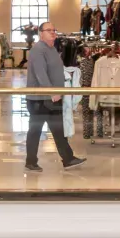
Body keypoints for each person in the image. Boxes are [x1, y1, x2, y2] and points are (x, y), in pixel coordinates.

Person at [23, 22, 86, 172]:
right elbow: (40, 73)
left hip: (52, 97)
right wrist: (52, 91)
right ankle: (31, 161)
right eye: (48, 30)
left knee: (58, 130)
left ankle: (68, 159)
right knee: (35, 131)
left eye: (54, 30)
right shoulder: (38, 50)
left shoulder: (51, 49)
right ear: (41, 33)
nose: (52, 32)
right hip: (40, 99)